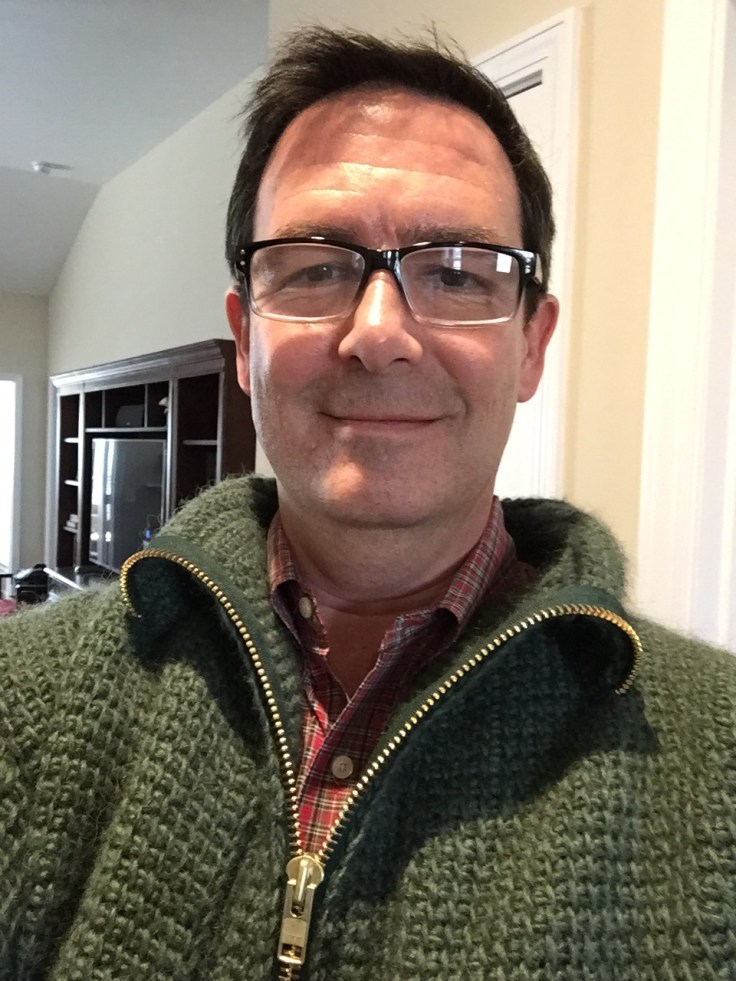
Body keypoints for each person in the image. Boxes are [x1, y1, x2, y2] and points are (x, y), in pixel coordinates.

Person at [2, 27, 735, 981]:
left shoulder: (716, 760)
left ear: (531, 345)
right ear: (245, 338)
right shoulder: (24, 702)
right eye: (316, 266)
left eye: (457, 271)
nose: (380, 333)